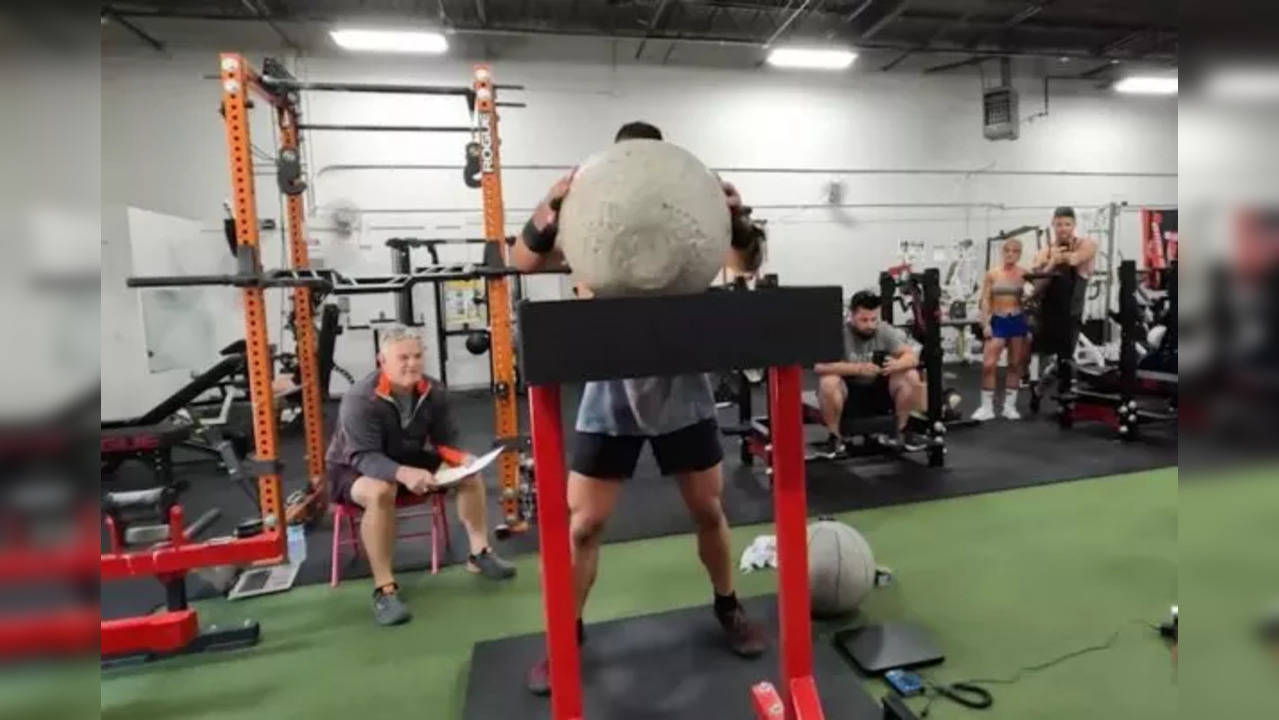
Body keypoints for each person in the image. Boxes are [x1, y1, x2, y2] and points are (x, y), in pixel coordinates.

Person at [511, 121, 768, 696]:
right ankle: (565, 633)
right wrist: (551, 204)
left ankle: (728, 605)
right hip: (610, 385)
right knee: (585, 525)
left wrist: (735, 212)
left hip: (682, 380)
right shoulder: (589, 208)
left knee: (709, 510)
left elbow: (745, 263)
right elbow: (522, 263)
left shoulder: (691, 205)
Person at [325, 327, 515, 626]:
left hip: (408, 459)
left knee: (469, 476)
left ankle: (479, 552)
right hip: (353, 468)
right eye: (403, 357)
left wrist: (461, 458)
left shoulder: (433, 391)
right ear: (382, 360)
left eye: (417, 356)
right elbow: (363, 455)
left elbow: (444, 441)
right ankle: (384, 589)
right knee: (380, 492)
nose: (412, 364)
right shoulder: (360, 399)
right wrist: (402, 473)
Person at [813, 291, 926, 455]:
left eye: (874, 319)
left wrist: (897, 364)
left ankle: (898, 432)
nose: (870, 325)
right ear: (851, 316)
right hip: (849, 394)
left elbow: (912, 357)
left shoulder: (883, 330)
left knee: (910, 375)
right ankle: (835, 437)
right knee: (828, 382)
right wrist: (858, 368)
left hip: (878, 392)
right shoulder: (839, 333)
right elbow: (820, 366)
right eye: (864, 320)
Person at [972, 238, 1031, 421]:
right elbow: (985, 300)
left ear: (1019, 254)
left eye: (1015, 251)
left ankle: (1009, 407)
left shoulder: (1025, 274)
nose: (1011, 254)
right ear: (1002, 252)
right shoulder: (993, 274)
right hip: (998, 320)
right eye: (1007, 250)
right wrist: (985, 324)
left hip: (1017, 320)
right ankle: (986, 407)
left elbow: (1031, 300)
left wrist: (1029, 295)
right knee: (989, 364)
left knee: (1015, 364)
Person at [1032, 206, 1098, 362]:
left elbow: (1076, 258)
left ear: (1074, 225)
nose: (1063, 229)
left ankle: (1064, 384)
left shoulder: (1086, 244)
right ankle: (1039, 384)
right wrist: (1052, 262)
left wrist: (1058, 258)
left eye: (1067, 224)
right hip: (1047, 311)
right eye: (1059, 224)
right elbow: (1036, 284)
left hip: (1072, 312)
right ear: (1053, 225)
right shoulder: (1045, 251)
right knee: (1042, 354)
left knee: (1066, 357)